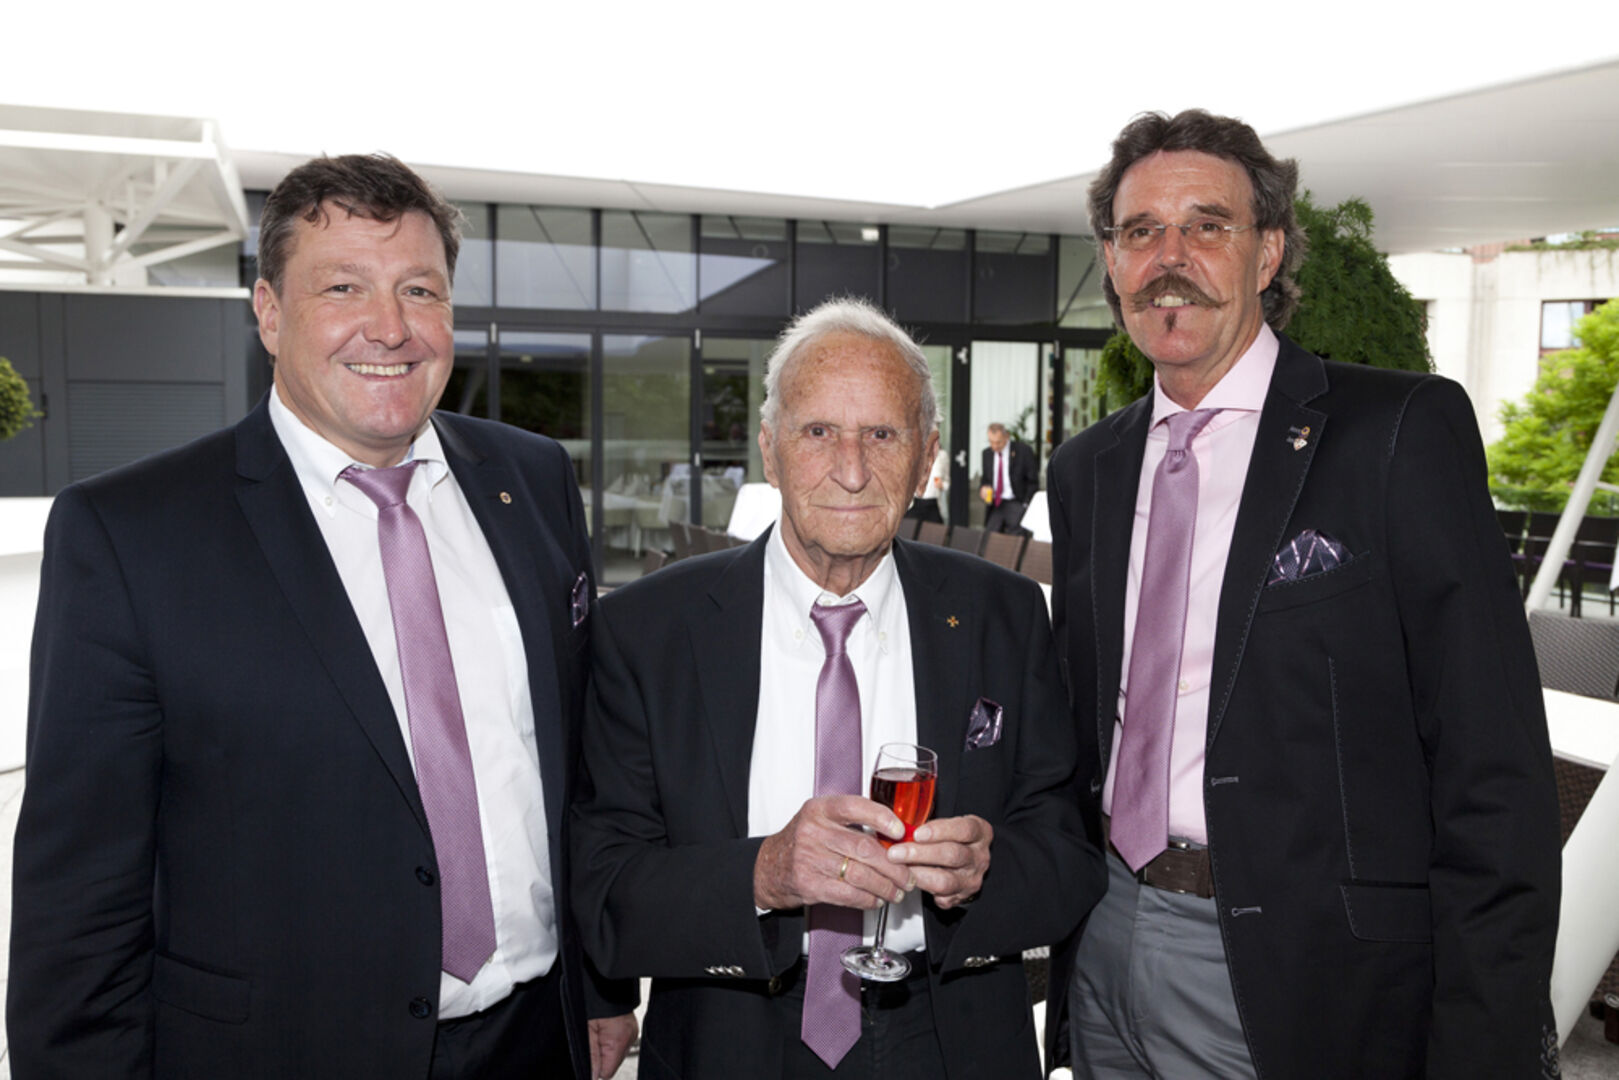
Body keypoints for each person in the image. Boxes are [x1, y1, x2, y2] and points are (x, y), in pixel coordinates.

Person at [9, 154, 636, 1079]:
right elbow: (80, 891)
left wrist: (601, 982)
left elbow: (575, 771)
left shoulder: (532, 480)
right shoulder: (131, 533)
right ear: (268, 313)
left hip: (536, 1037)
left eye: (419, 289)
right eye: (343, 287)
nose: (390, 326)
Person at [1044, 110, 1561, 1079]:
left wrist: (1482, 1045)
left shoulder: (1396, 433)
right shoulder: (1086, 471)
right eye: (1140, 231)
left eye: (1206, 225)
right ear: (1110, 261)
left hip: (1305, 975)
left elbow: (1492, 772)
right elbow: (1078, 726)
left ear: (1269, 250)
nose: (1169, 258)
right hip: (1103, 935)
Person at [571, 297, 1102, 1079]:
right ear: (769, 448)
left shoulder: (1006, 614)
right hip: (730, 1036)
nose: (851, 471)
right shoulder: (648, 629)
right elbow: (603, 884)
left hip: (949, 1036)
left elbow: (1068, 855)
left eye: (882, 435)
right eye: (818, 431)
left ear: (925, 457)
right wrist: (762, 873)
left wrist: (983, 874)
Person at [979, 423, 1037, 533]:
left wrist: (1025, 505)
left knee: (1015, 540)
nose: (995, 446)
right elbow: (986, 479)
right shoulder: (987, 454)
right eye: (991, 442)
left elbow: (1032, 480)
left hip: (1016, 502)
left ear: (1007, 437)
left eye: (998, 442)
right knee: (990, 537)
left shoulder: (1023, 451)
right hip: (996, 504)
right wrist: (983, 488)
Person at [903, 446, 949, 524]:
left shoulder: (942, 456)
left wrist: (942, 485)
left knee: (935, 529)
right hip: (916, 502)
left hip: (933, 503)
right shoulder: (916, 454)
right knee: (908, 528)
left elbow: (947, 482)